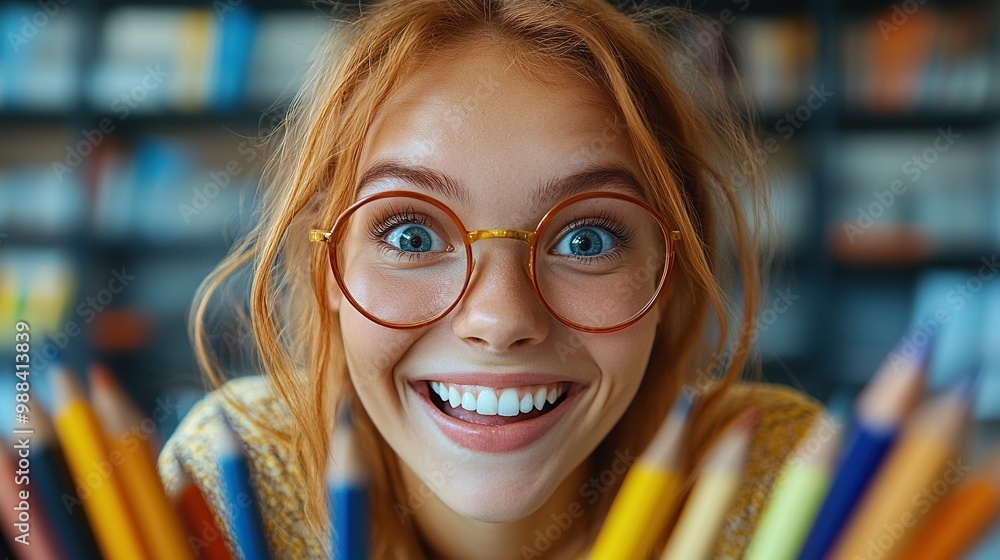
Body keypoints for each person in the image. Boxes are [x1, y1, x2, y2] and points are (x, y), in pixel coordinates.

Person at [158, 0, 821, 558]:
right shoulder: (234, 478)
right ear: (324, 264)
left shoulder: (788, 487)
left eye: (585, 240)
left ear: (670, 270)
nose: (501, 319)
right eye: (411, 236)